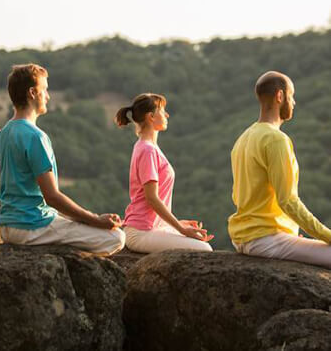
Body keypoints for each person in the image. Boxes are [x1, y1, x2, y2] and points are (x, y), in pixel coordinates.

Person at [0, 63, 125, 256]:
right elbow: (52, 197)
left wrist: (85, 220)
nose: (48, 96)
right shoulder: (36, 137)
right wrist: (95, 220)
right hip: (32, 227)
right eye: (45, 90)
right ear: (32, 92)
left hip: (7, 226)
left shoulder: (5, 132)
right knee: (116, 238)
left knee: (71, 224)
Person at [229, 71, 331, 268]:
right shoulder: (276, 139)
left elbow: (240, 196)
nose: (293, 103)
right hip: (265, 239)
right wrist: (327, 235)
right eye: (291, 96)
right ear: (280, 96)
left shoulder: (242, 139)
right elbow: (288, 201)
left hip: (243, 238)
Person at [115, 93, 213, 253]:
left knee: (200, 244)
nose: (167, 115)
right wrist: (181, 229)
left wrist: (177, 224)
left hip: (150, 228)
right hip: (141, 232)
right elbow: (152, 198)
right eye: (162, 111)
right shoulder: (147, 150)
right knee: (204, 249)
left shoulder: (147, 147)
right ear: (151, 117)